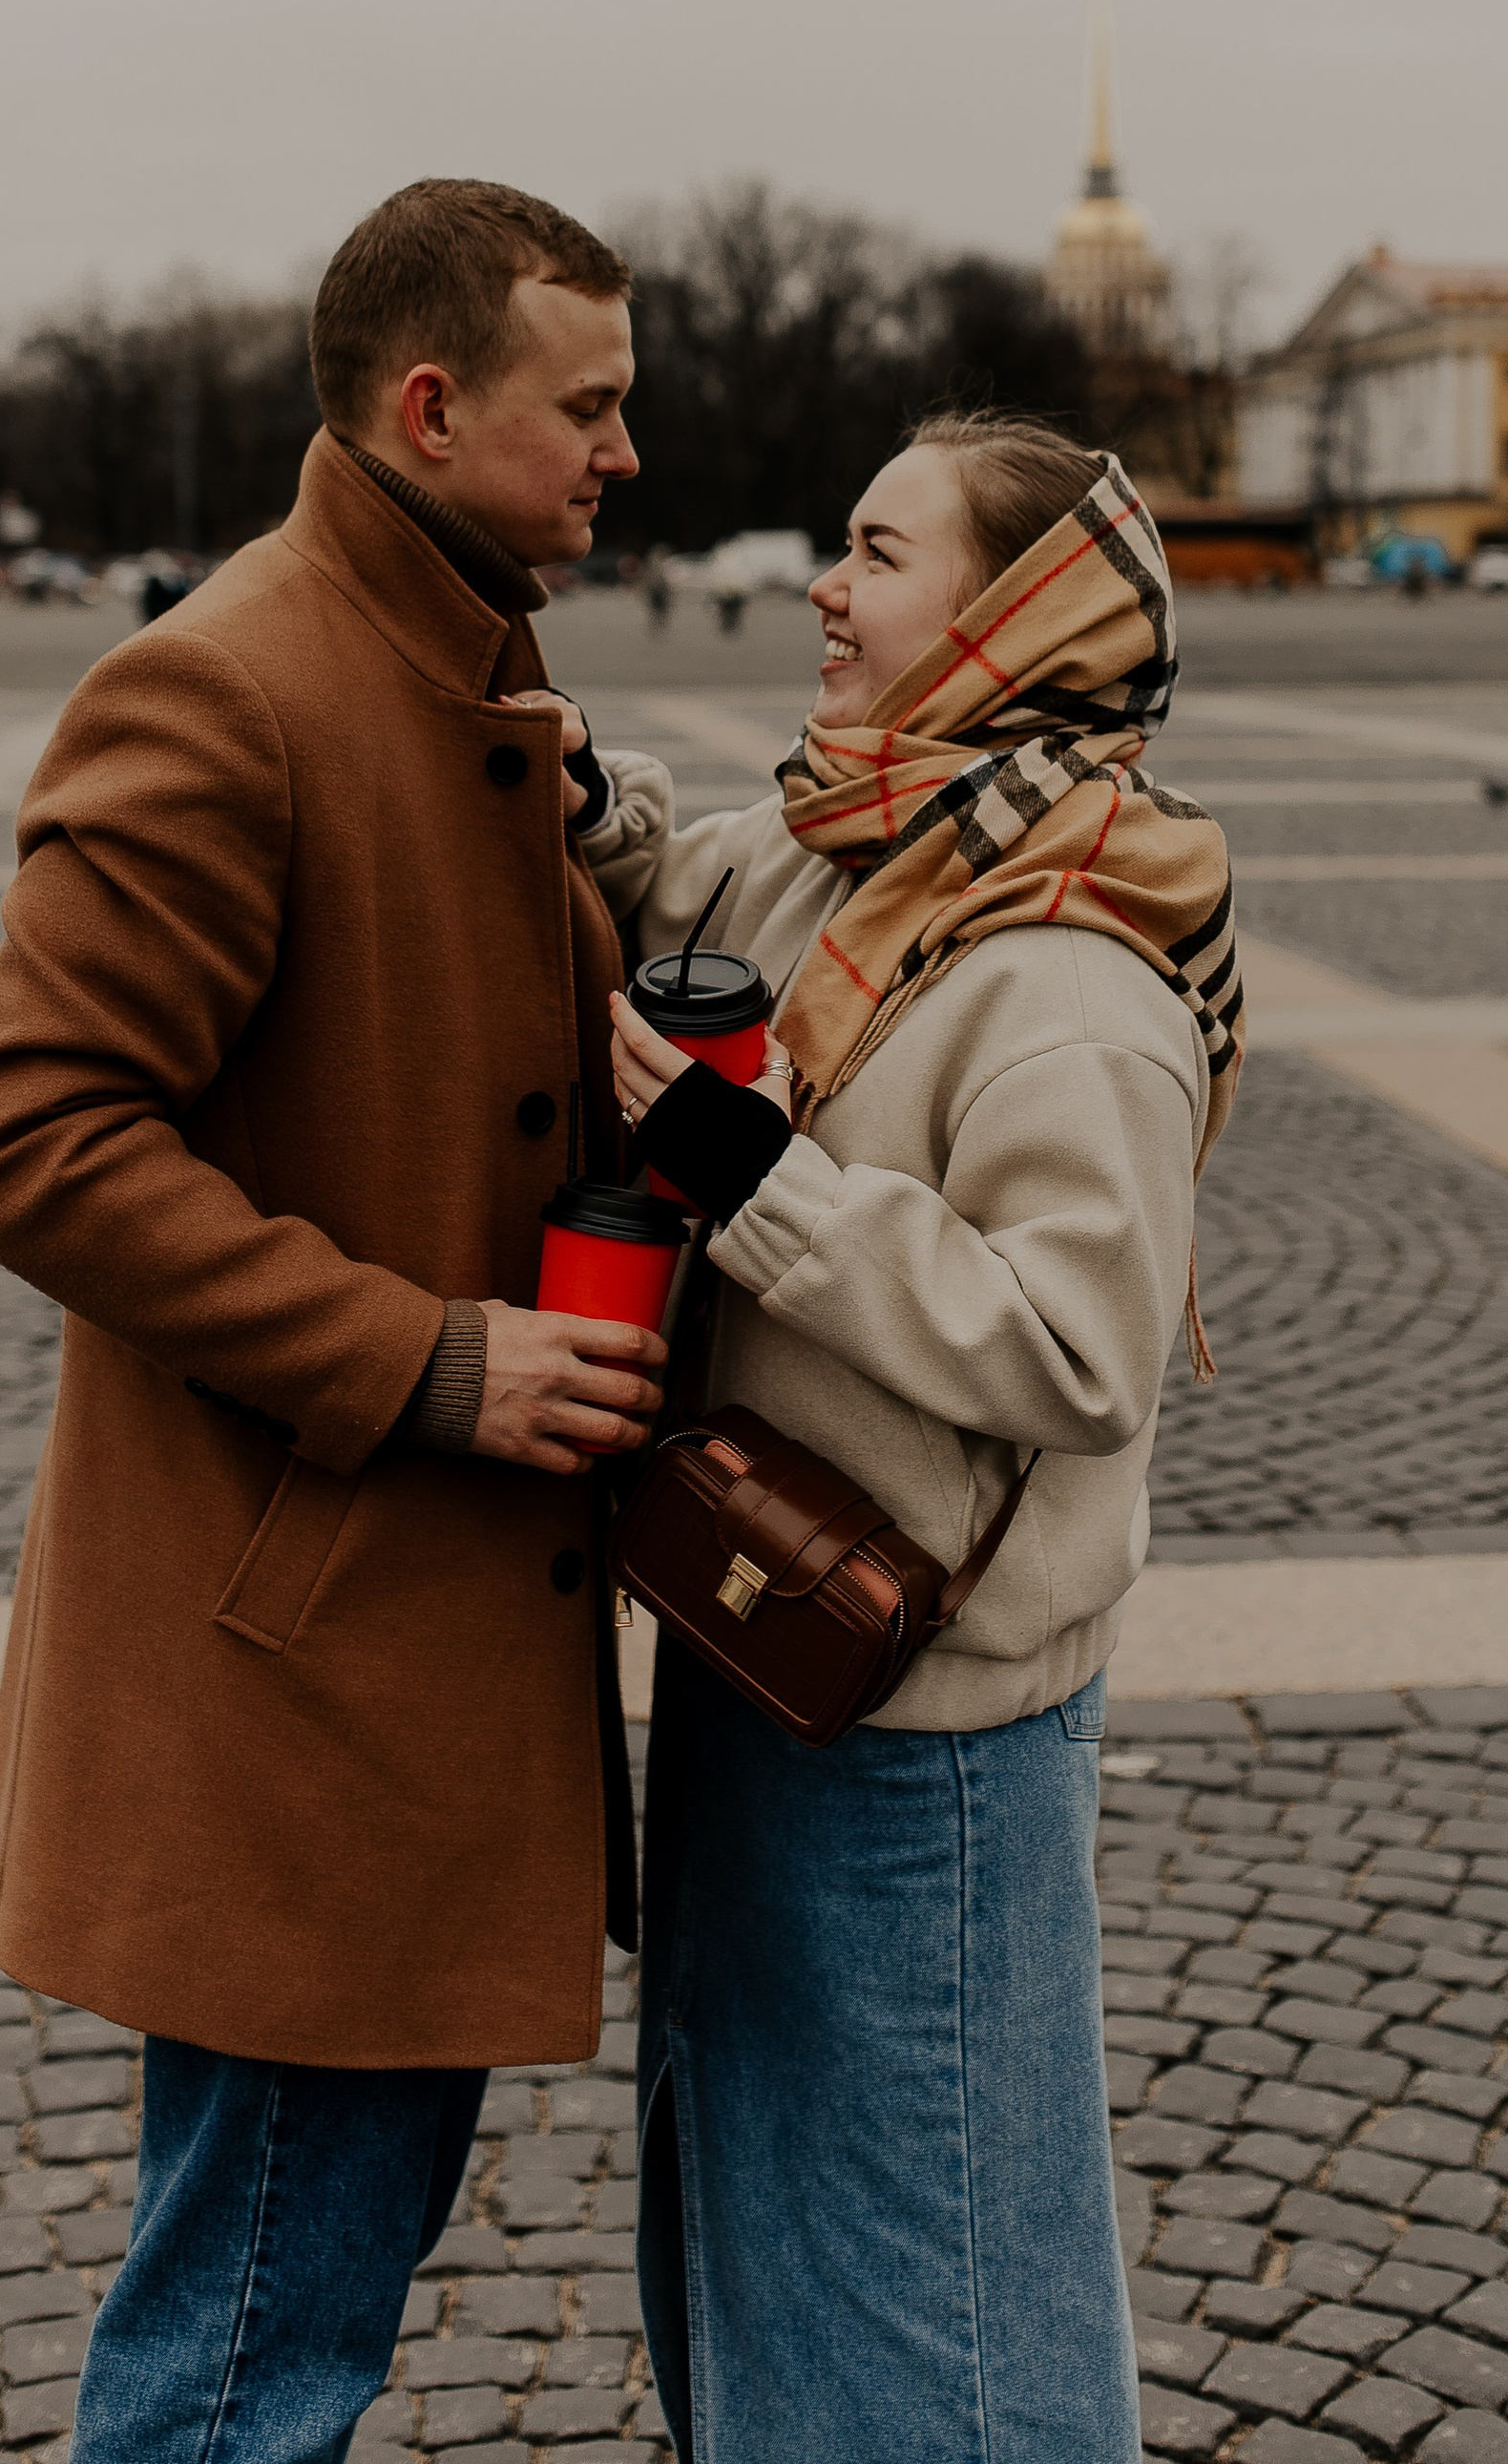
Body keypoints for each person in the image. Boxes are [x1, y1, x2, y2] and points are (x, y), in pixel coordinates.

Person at [0, 179, 665, 2464]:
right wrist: (428, 1351)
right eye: (591, 405)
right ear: (432, 408)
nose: (626, 451)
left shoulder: (451, 655)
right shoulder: (237, 681)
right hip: (305, 1676)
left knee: (279, 2301)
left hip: (374, 1660)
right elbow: (27, 1134)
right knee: (250, 2342)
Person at [579, 411, 1241, 2464]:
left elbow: (1079, 1345)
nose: (821, 586)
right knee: (778, 2233)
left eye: (873, 552)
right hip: (761, 1646)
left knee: (938, 2288)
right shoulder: (854, 841)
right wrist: (572, 801)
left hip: (922, 1726)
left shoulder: (1064, 968)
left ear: (1006, 621)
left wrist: (747, 1181)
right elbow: (697, 896)